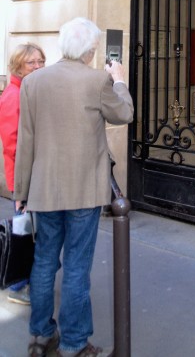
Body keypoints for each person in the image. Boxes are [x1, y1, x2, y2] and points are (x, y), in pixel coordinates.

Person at [14, 18, 134, 357]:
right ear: (91, 50)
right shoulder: (98, 80)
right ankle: (74, 343)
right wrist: (120, 80)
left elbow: (27, 140)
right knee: (77, 266)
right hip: (83, 190)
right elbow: (124, 113)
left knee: (44, 261)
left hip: (44, 189)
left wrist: (20, 190)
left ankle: (39, 337)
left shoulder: (33, 82)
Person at [0, 42, 46, 305]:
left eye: (41, 61)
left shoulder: (28, 90)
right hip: (25, 180)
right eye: (32, 63)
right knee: (25, 233)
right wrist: (21, 191)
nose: (38, 66)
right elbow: (14, 145)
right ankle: (18, 286)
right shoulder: (13, 96)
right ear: (18, 65)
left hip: (32, 177)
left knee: (31, 232)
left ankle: (26, 283)